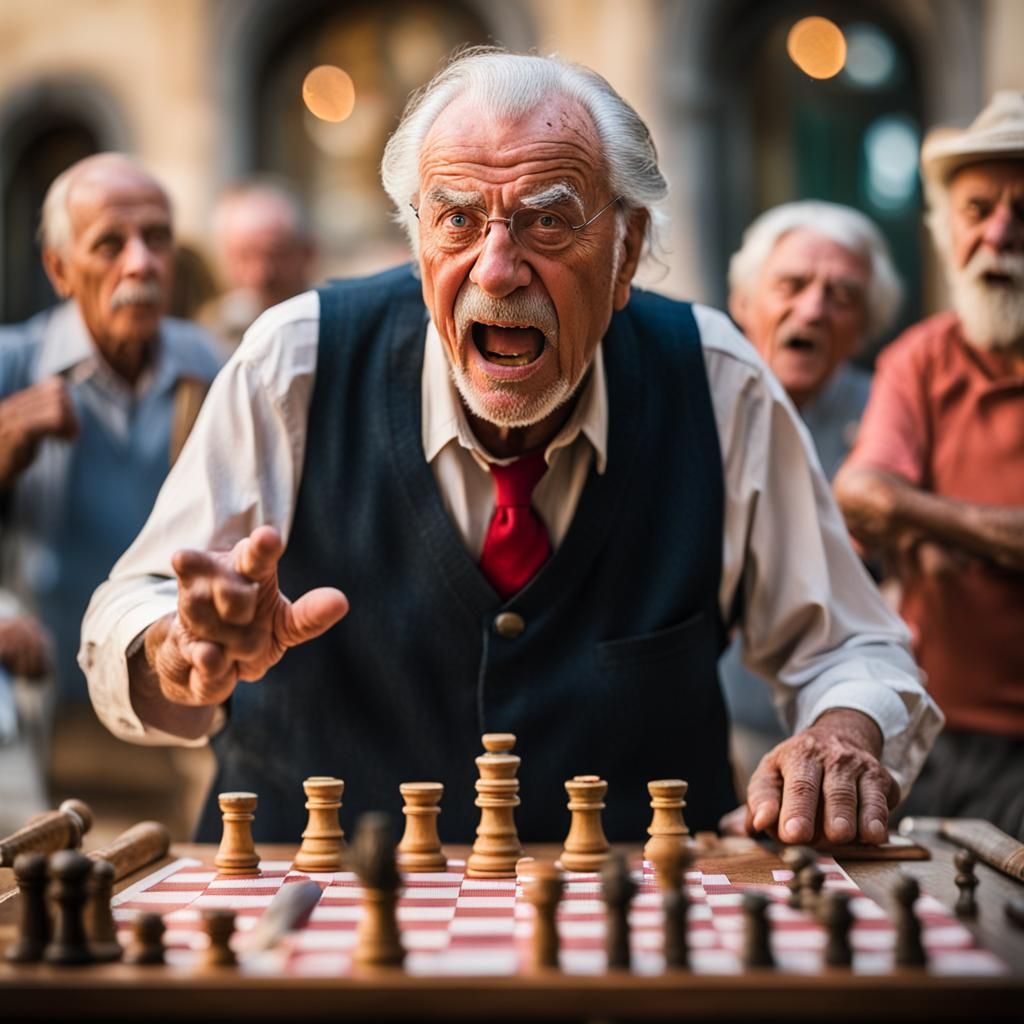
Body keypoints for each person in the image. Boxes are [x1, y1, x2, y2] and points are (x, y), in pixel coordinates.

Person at [81, 50, 941, 846]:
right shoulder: (296, 358)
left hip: (628, 936)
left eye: (547, 221)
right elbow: (131, 607)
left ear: (627, 249)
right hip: (315, 919)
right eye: (457, 219)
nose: (496, 269)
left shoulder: (714, 379)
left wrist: (842, 731)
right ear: (419, 241)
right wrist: (174, 648)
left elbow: (851, 646)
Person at [0, 153, 223, 827]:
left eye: (156, 238)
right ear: (60, 269)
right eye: (109, 244)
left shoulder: (211, 364)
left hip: (178, 694)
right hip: (51, 704)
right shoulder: (14, 364)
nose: (140, 263)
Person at [834, 92, 1024, 838]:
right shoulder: (921, 358)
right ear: (946, 230)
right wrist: (987, 534)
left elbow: (891, 501)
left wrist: (934, 525)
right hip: (934, 733)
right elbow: (863, 492)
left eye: (1023, 211)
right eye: (977, 210)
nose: (1000, 234)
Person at [720, 202, 903, 780]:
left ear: (864, 329)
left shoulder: (892, 418)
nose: (814, 309)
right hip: (723, 722)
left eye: (841, 296)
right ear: (744, 304)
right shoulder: (700, 396)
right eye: (791, 285)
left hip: (856, 724)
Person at [197, 180, 317, 352]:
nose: (259, 275)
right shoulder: (207, 336)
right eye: (243, 257)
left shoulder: (333, 329)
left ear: (308, 253)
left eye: (275, 255)